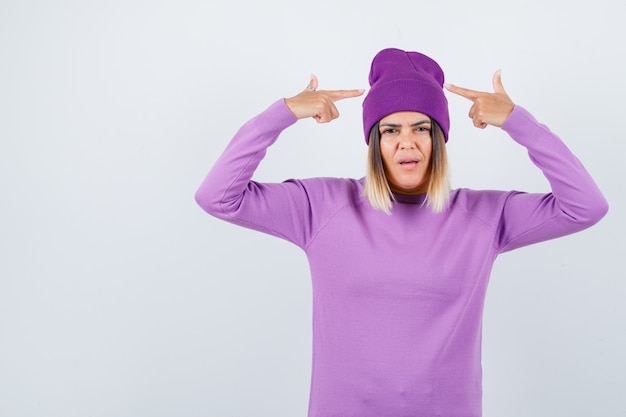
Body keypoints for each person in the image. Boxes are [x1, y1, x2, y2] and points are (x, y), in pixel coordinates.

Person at [195, 48, 608, 417]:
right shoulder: (321, 206)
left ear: (439, 139)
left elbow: (585, 206)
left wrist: (520, 124)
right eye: (391, 130)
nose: (406, 143)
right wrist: (282, 112)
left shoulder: (483, 216)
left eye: (421, 128)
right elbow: (218, 197)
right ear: (374, 141)